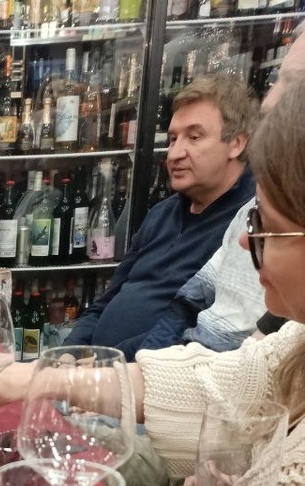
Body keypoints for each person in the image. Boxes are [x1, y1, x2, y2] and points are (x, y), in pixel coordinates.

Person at [0, 73, 305, 486]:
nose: (246, 242)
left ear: (237, 143)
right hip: (135, 412)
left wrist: (57, 379)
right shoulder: (291, 344)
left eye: (264, 227)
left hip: (158, 445)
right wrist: (43, 373)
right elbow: (215, 381)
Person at [133, 29, 305, 359]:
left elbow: (240, 371)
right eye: (172, 139)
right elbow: (184, 307)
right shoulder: (170, 214)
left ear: (236, 144)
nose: (269, 100)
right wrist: (138, 362)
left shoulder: (252, 207)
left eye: (292, 84)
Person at [64, 75, 257, 360]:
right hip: (99, 371)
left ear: (236, 144)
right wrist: (69, 353)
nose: (174, 154)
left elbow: (193, 333)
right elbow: (106, 301)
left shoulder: (249, 224)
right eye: (173, 139)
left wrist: (103, 362)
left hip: (150, 376)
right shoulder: (161, 214)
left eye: (194, 137)